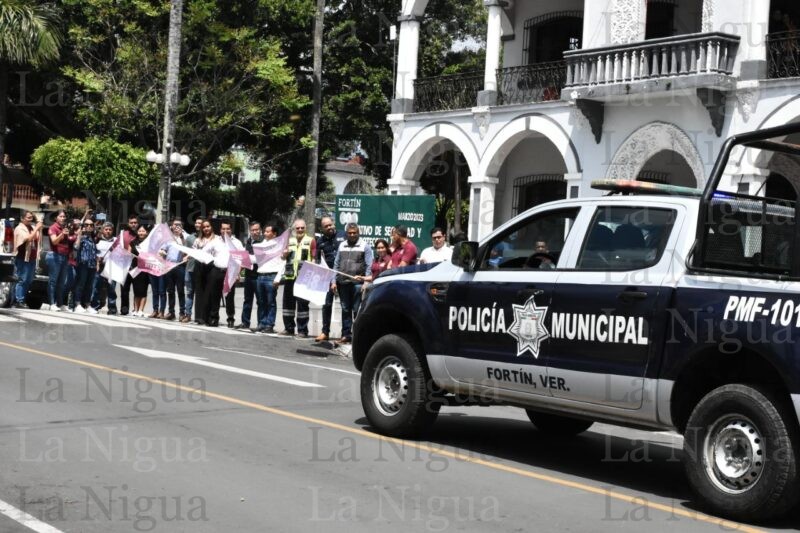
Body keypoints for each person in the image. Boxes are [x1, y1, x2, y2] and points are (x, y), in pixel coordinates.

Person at [331, 223, 373, 343]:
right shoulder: (342, 245)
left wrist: (365, 282)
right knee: (345, 309)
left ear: (358, 233)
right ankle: (346, 335)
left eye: (354, 233)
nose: (352, 235)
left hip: (357, 284)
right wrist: (333, 281)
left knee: (357, 310)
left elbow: (369, 266)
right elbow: (336, 264)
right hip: (343, 283)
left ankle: (357, 336)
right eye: (350, 233)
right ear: (347, 234)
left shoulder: (365, 246)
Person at [278, 218, 316, 338]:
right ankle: (288, 328)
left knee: (302, 305)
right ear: (294, 229)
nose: (300, 230)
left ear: (305, 228)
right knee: (288, 304)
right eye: (297, 228)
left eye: (302, 228)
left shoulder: (311, 241)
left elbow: (314, 258)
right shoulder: (290, 241)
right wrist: (283, 255)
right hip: (290, 276)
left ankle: (302, 330)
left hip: (304, 278)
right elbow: (283, 257)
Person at [193, 219, 227, 327]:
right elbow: (194, 252)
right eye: (204, 227)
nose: (206, 229)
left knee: (210, 292)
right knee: (199, 291)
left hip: (212, 267)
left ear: (211, 227)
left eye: (208, 226)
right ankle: (199, 317)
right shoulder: (198, 240)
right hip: (200, 266)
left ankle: (209, 317)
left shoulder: (217, 239)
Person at [314, 216, 343, 342]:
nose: (329, 227)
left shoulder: (343, 235)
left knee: (346, 306)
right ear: (322, 228)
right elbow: (318, 260)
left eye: (330, 225)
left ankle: (346, 334)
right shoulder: (320, 241)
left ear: (333, 224)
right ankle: (325, 332)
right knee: (326, 304)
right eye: (326, 226)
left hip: (343, 274)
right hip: (327, 276)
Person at [254, 223, 283, 334]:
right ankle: (262, 323)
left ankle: (269, 324)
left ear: (274, 233)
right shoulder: (261, 244)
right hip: (260, 275)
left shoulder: (279, 245)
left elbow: (283, 262)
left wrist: (278, 277)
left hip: (271, 276)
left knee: (271, 302)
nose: (265, 233)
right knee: (261, 301)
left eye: (268, 231)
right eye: (265, 231)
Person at [46, 210, 77, 312]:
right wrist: (62, 234)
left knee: (62, 282)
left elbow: (68, 242)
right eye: (61, 216)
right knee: (53, 281)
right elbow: (54, 241)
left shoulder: (65, 228)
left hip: (64, 257)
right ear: (56, 218)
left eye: (64, 217)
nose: (63, 218)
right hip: (54, 256)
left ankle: (60, 304)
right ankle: (51, 303)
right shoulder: (53, 228)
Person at [235, 221, 263, 330]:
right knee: (247, 300)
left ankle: (260, 324)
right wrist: (238, 272)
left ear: (260, 230)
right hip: (248, 275)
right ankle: (245, 322)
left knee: (260, 301)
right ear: (250, 231)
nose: (255, 232)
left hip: (259, 276)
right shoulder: (248, 242)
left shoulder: (263, 243)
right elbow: (244, 259)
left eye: (257, 230)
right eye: (253, 230)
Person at [13, 211, 42, 308]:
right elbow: (28, 239)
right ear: (22, 218)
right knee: (22, 279)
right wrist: (37, 228)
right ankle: (18, 300)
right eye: (28, 218)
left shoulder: (32, 228)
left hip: (32, 258)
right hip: (22, 258)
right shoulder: (19, 228)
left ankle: (22, 299)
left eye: (31, 218)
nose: (30, 220)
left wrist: (38, 223)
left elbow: (38, 236)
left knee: (29, 280)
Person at [160, 217, 187, 320]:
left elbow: (187, 251)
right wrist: (162, 252)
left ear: (182, 227)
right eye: (175, 225)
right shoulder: (168, 239)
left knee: (180, 290)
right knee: (170, 290)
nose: (177, 227)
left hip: (180, 266)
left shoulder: (184, 238)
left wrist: (181, 237)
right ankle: (171, 312)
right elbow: (163, 249)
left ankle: (182, 313)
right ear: (171, 226)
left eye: (179, 225)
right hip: (169, 266)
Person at [220, 220, 244, 328]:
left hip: (231, 272)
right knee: (215, 295)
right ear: (220, 230)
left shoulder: (237, 243)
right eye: (223, 228)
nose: (225, 231)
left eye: (227, 229)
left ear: (231, 230)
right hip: (218, 270)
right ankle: (213, 317)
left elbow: (243, 259)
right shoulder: (216, 241)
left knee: (229, 297)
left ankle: (230, 318)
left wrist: (238, 273)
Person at [91, 222, 118, 314]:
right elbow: (93, 252)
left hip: (112, 267)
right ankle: (94, 306)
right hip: (100, 267)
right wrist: (97, 259)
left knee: (111, 288)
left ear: (112, 231)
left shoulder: (116, 241)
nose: (108, 231)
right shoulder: (97, 240)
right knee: (96, 287)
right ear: (103, 230)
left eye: (110, 230)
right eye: (106, 229)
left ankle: (112, 307)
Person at [72, 219, 98, 313]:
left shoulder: (93, 238)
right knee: (80, 284)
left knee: (90, 285)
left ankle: (87, 304)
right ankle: (77, 304)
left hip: (92, 265)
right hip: (82, 264)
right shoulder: (81, 237)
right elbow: (76, 247)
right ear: (83, 227)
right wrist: (79, 235)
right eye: (87, 225)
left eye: (91, 225)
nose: (89, 226)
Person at [182, 216, 203, 323]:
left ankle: (200, 316)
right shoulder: (190, 238)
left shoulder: (208, 238)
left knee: (200, 293)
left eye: (200, 223)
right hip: (189, 269)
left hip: (202, 270)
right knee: (189, 292)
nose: (197, 225)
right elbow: (185, 252)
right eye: (196, 223)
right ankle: (188, 314)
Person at [119, 215, 140, 315]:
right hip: (124, 265)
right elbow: (116, 247)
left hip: (137, 266)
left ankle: (136, 310)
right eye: (131, 222)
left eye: (135, 222)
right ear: (128, 224)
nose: (133, 224)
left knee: (138, 289)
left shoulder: (141, 234)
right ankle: (124, 309)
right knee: (124, 289)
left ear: (138, 223)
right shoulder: (123, 234)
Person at [129, 225, 150, 317]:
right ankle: (135, 309)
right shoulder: (133, 242)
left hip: (145, 268)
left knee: (143, 289)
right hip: (135, 268)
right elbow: (128, 254)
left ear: (147, 233)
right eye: (140, 231)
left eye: (143, 231)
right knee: (136, 289)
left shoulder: (149, 243)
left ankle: (141, 310)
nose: (141, 233)